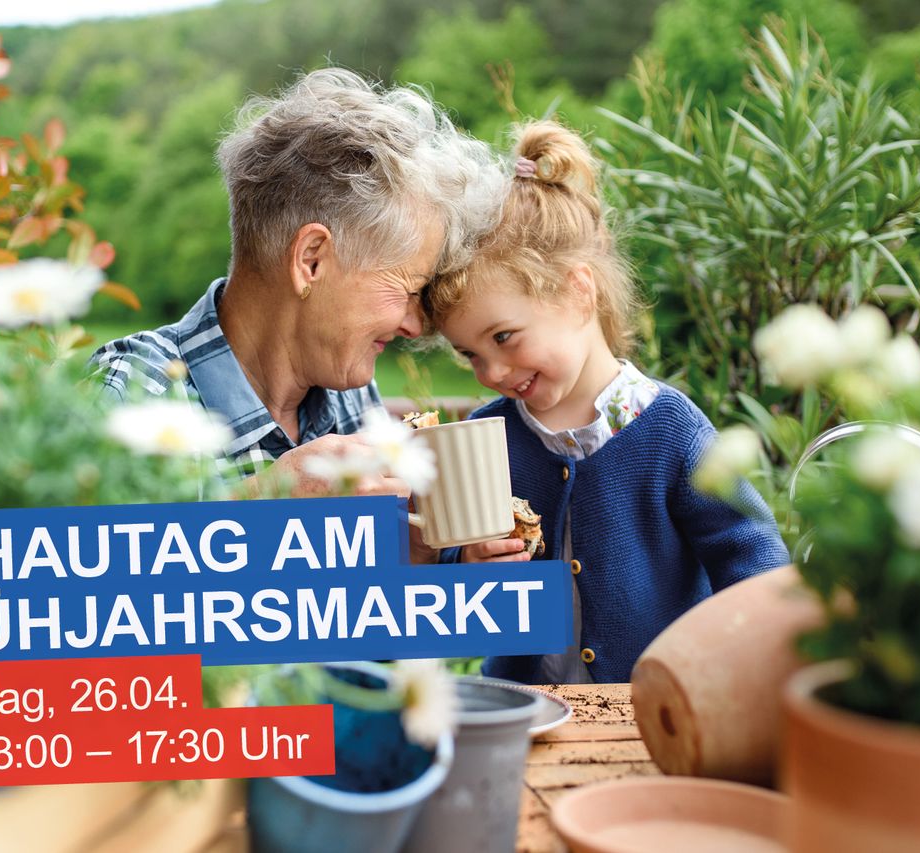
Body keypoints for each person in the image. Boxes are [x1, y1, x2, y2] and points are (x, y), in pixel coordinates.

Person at [422, 118, 789, 683]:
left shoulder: (670, 431)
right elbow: (448, 574)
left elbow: (750, 554)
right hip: (524, 708)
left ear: (578, 291)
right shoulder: (487, 436)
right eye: (470, 354)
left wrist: (746, 664)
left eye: (503, 337)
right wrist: (467, 561)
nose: (491, 371)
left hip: (649, 714)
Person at [91, 68, 506, 507]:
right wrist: (264, 501)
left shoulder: (346, 390)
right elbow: (54, 564)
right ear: (311, 260)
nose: (413, 324)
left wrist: (417, 553)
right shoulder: (132, 393)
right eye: (407, 289)